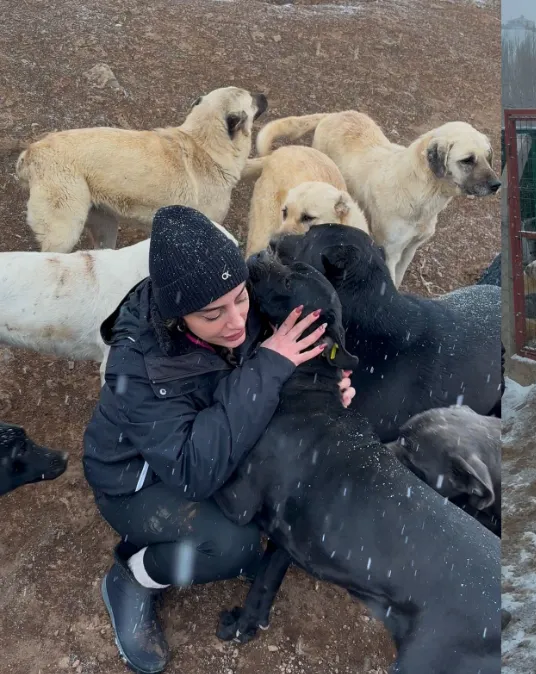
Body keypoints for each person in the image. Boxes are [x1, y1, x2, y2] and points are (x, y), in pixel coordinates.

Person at [82, 205, 356, 674]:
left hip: (212, 441)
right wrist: (269, 367)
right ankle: (133, 574)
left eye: (240, 299)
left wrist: (327, 388)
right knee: (236, 545)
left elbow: (271, 376)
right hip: (138, 479)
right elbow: (192, 471)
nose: (236, 321)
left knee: (265, 505)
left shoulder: (242, 307)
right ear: (176, 316)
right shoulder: (139, 365)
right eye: (212, 314)